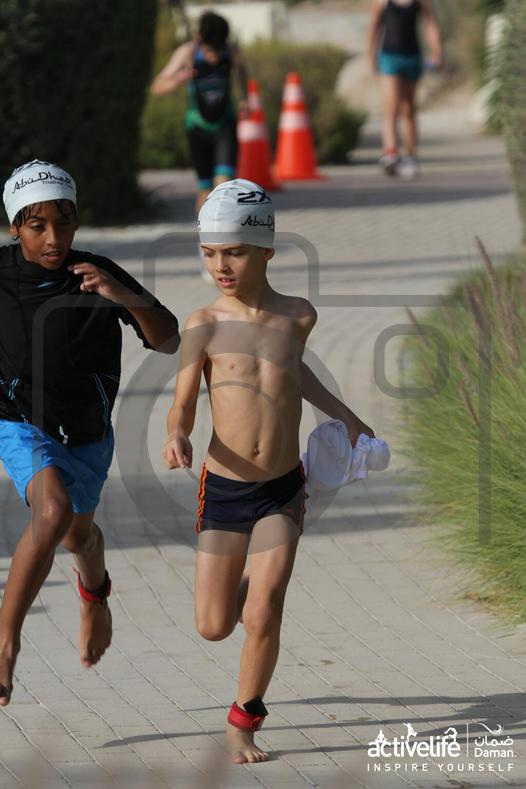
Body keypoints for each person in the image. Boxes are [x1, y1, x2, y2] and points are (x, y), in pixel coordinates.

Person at [163, 179, 374, 763]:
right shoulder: (203, 323)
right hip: (224, 488)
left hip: (283, 487)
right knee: (214, 625)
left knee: (264, 609)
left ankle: (244, 721)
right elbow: (183, 402)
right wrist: (176, 433)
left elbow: (293, 371)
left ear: (266, 251)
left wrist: (346, 415)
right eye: (210, 253)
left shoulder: (298, 315)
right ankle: (246, 584)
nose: (220, 266)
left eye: (234, 252)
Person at [0, 160, 180, 706]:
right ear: (15, 227)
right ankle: (6, 644)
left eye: (64, 223)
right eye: (38, 226)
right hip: (20, 423)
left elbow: (169, 339)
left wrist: (122, 296)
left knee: (79, 536)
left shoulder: (96, 273)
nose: (53, 238)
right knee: (51, 513)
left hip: (87, 433)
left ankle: (95, 593)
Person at [151, 11, 248, 214]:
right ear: (200, 39)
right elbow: (157, 87)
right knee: (205, 190)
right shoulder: (187, 53)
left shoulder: (231, 51)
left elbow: (241, 72)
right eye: (210, 51)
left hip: (224, 126)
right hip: (197, 127)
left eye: (218, 50)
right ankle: (205, 233)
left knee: (224, 186)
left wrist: (244, 99)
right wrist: (179, 78)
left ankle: (224, 231)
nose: (214, 57)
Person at [368, 0, 442, 178]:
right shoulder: (382, 2)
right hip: (389, 58)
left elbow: (431, 24)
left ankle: (410, 156)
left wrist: (436, 52)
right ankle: (391, 153)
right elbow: (373, 27)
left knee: (408, 109)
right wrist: (371, 55)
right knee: (391, 106)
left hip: (412, 57)